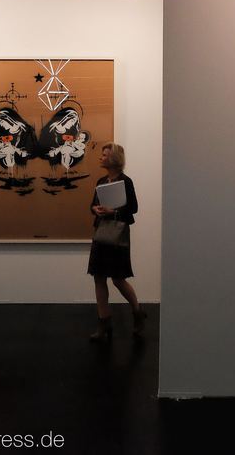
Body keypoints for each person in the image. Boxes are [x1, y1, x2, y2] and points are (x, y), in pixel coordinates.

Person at [87, 142, 146, 342]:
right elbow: (92, 205)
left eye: (104, 155)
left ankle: (137, 312)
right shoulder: (101, 181)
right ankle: (104, 322)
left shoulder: (126, 181)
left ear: (114, 159)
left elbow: (133, 208)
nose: (101, 157)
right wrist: (95, 209)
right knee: (98, 277)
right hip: (102, 232)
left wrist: (114, 211)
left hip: (118, 234)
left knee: (118, 279)